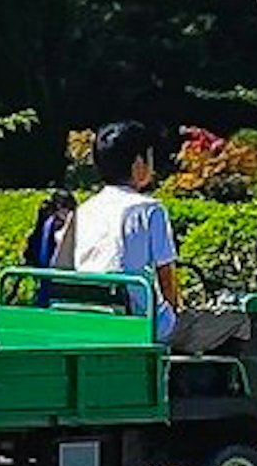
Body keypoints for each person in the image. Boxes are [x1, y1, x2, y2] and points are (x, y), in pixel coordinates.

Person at [64, 121, 186, 348]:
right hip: (138, 320)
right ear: (138, 164)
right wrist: (175, 316)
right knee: (233, 325)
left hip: (90, 315)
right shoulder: (150, 209)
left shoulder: (84, 210)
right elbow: (166, 277)